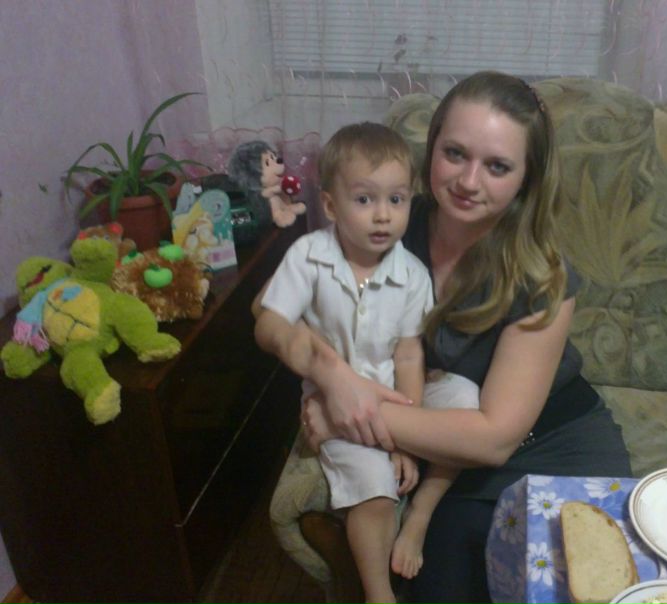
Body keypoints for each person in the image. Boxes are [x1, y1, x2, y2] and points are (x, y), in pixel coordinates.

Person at [260, 71, 633, 603]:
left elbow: (494, 438)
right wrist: (330, 373)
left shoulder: (541, 273)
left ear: (526, 179)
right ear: (431, 148)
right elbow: (268, 307)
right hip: (453, 462)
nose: (469, 181)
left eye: (497, 166)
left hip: (558, 445)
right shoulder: (389, 221)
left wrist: (349, 413)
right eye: (455, 153)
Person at [252, 121, 475, 603]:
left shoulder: (411, 274)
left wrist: (409, 438)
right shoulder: (309, 257)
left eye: (396, 200)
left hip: (396, 397)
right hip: (340, 410)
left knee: (465, 397)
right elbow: (269, 324)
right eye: (364, 199)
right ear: (331, 206)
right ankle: (379, 595)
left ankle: (421, 514)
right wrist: (313, 361)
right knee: (374, 488)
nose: (382, 216)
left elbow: (409, 354)